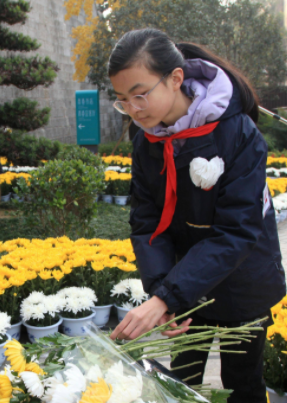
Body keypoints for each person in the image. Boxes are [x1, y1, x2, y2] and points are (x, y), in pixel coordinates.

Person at [107, 28, 286, 402]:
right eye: (123, 100)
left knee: (243, 385)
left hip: (243, 280)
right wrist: (163, 291)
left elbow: (237, 232)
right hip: (184, 289)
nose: (134, 109)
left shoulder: (238, 133)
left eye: (140, 95)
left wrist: (167, 297)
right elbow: (146, 221)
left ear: (175, 79)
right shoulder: (146, 141)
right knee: (183, 382)